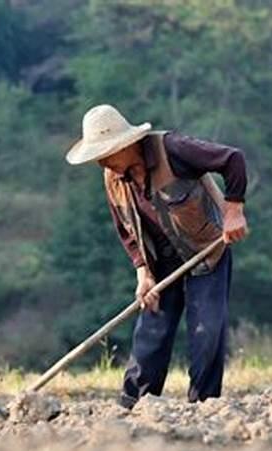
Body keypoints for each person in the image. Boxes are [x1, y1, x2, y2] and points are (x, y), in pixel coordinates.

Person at [65, 104, 248, 408]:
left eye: (107, 153)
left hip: (205, 250)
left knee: (207, 330)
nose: (102, 162)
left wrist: (234, 212)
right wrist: (142, 272)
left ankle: (204, 404)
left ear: (127, 144)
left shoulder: (173, 149)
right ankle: (134, 404)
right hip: (159, 261)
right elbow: (125, 229)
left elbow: (233, 159)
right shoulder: (113, 176)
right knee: (152, 332)